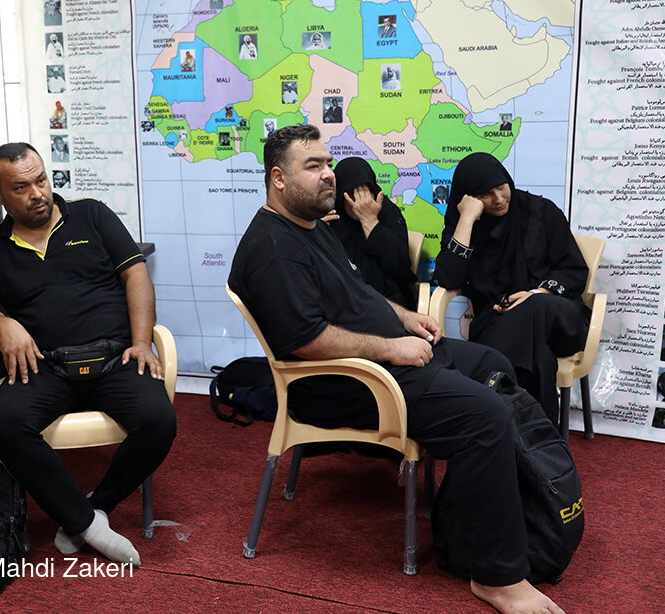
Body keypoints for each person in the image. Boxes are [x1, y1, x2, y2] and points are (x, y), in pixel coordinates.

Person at [229, 124, 567, 614]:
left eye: (328, 164)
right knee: (487, 416)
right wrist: (392, 348)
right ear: (278, 179)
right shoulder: (272, 251)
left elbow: (358, 293)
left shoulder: (311, 228)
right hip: (351, 383)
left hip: (390, 358)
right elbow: (307, 340)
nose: (329, 175)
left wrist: (406, 317)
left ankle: (476, 518)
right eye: (314, 166)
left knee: (493, 364)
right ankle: (497, 577)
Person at [0, 142, 176, 567]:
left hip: (115, 358)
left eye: (41, 180)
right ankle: (86, 523)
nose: (37, 193)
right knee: (4, 423)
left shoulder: (91, 214)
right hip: (42, 366)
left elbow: (136, 274)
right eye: (21, 187)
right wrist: (4, 325)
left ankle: (94, 508)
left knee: (159, 420)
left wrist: (140, 342)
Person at [434, 152, 589, 425]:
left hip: (557, 317)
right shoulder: (467, 226)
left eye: (501, 187)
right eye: (485, 194)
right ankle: (541, 444)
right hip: (498, 319)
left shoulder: (542, 212)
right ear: (469, 197)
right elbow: (449, 277)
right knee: (540, 359)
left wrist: (538, 293)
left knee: (534, 306)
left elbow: (574, 271)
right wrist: (466, 220)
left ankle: (485, 417)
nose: (498, 198)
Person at [331, 156, 417, 308]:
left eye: (367, 192)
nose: (362, 202)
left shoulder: (388, 212)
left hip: (388, 302)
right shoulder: (330, 217)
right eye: (353, 194)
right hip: (341, 302)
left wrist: (370, 222)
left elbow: (402, 268)